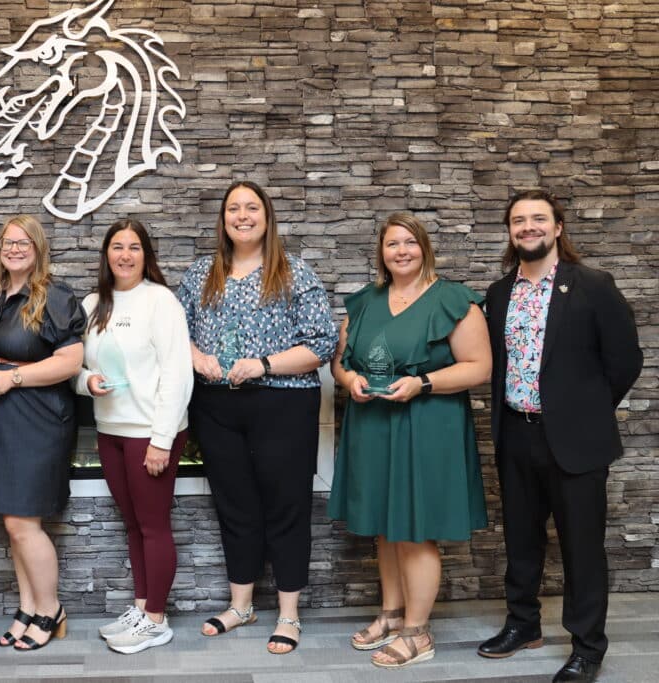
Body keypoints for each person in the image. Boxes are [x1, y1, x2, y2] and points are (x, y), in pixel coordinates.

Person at [478, 191, 642, 683]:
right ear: (510, 231)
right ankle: (523, 624)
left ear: (558, 227)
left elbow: (625, 361)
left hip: (575, 441)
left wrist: (583, 411)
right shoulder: (499, 292)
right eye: (518, 221)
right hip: (516, 434)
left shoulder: (592, 285)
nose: (528, 227)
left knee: (582, 549)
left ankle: (588, 647)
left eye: (537, 219)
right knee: (521, 543)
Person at [177, 181, 337, 655]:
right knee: (235, 505)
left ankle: (288, 614)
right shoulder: (201, 273)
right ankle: (241, 605)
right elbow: (171, 332)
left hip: (283, 403)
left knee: (286, 507)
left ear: (267, 217)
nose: (242, 215)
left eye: (251, 207)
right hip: (216, 405)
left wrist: (265, 365)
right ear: (222, 219)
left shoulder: (294, 273)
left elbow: (321, 344)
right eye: (233, 208)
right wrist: (196, 356)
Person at [328, 213, 491, 668]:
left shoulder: (453, 300)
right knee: (386, 525)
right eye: (391, 244)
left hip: (426, 422)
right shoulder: (364, 302)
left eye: (409, 243)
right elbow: (339, 362)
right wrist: (351, 379)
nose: (401, 251)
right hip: (374, 423)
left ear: (424, 248)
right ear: (381, 252)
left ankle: (418, 633)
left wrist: (422, 383)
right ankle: (392, 614)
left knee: (416, 528)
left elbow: (479, 366)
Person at [0, 215, 86, 651]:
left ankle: (51, 609)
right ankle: (28, 607)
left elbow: (70, 363)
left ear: (38, 247)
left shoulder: (55, 296)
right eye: (7, 242)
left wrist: (11, 379)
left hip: (38, 418)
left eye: (23, 241)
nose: (14, 248)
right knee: (13, 523)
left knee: (23, 522)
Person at [75, 218, 193, 654]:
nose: (125, 254)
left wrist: (162, 439)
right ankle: (142, 606)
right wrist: (85, 382)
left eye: (134, 247)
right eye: (117, 246)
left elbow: (178, 374)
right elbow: (76, 366)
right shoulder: (92, 304)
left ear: (147, 255)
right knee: (134, 525)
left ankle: (157, 620)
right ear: (106, 253)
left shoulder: (161, 301)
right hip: (110, 431)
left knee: (153, 525)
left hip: (150, 433)